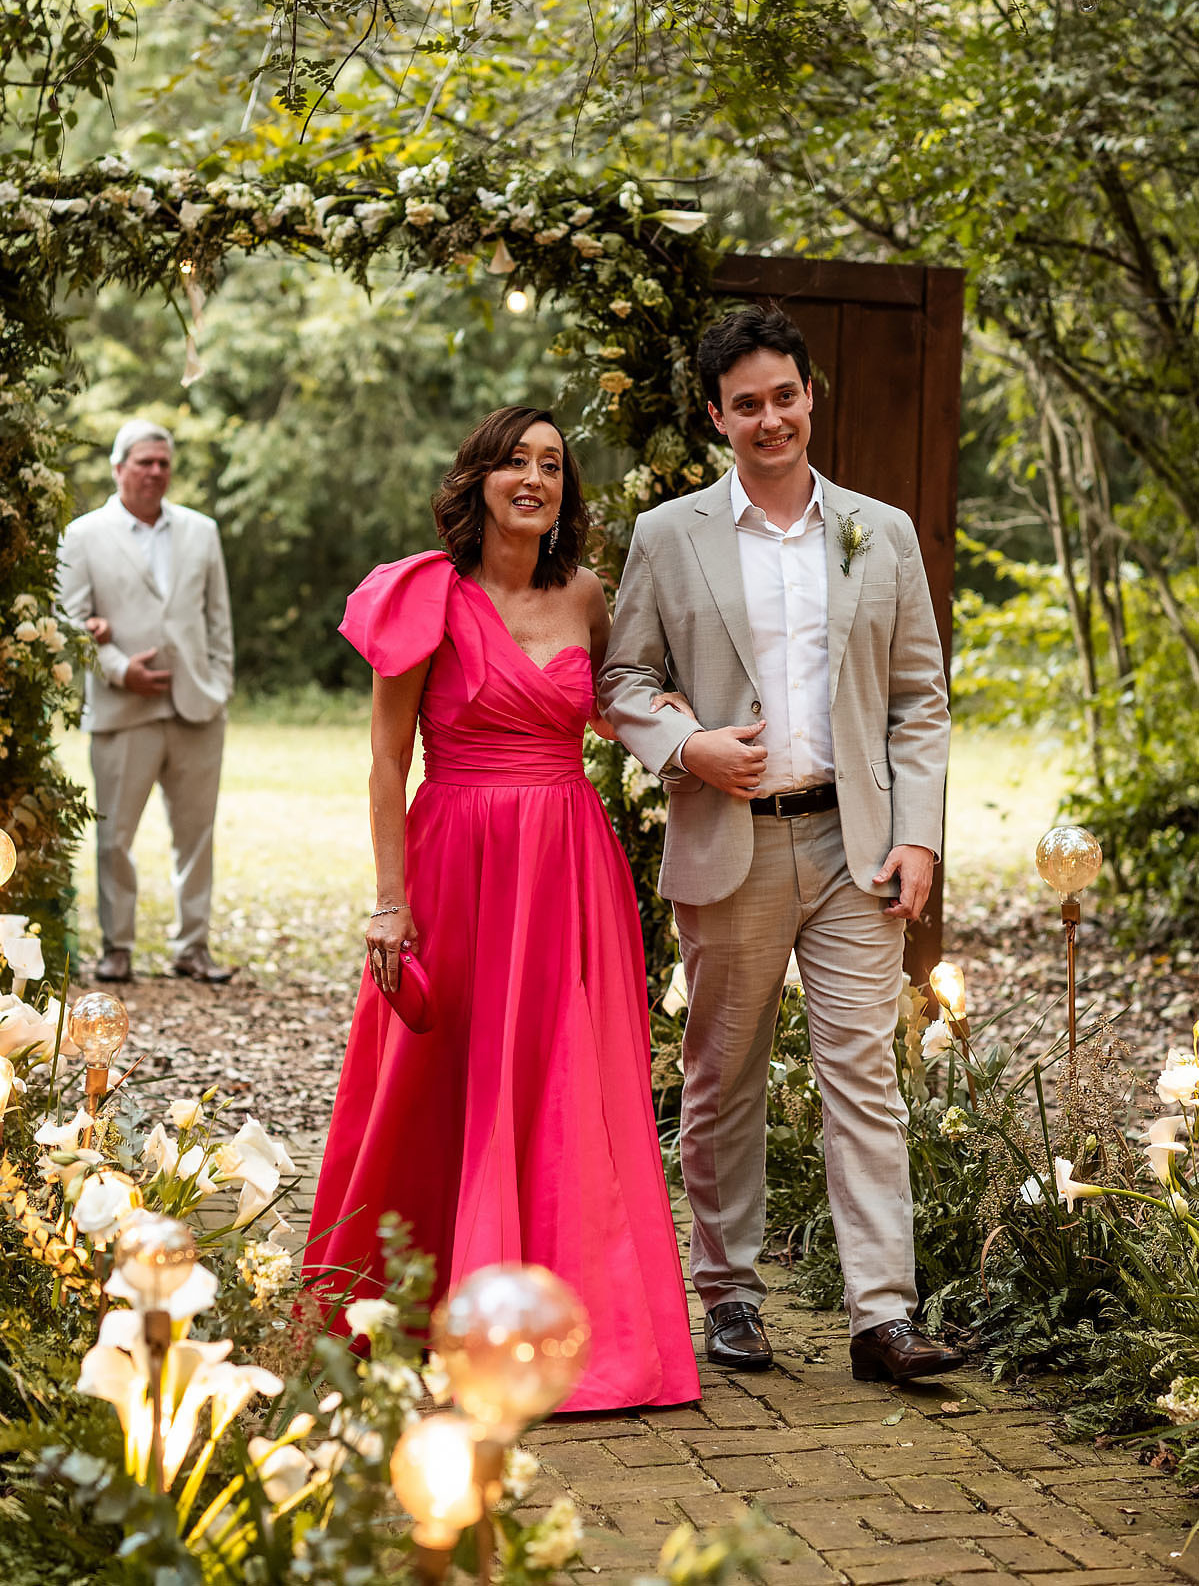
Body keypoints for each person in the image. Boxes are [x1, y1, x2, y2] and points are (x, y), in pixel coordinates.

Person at [304, 407, 699, 1412]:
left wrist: (692, 736)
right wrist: (388, 906)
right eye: (515, 461)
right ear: (479, 477)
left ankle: (578, 1326)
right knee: (441, 1082)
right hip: (452, 862)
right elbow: (388, 757)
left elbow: (613, 703)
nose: (534, 478)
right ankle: (427, 1301)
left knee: (567, 1083)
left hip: (566, 866)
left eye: (553, 465)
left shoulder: (588, 595)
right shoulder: (423, 596)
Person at [597, 305, 963, 1386]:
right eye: (745, 403)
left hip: (854, 849)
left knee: (863, 1073)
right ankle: (731, 1295)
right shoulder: (669, 537)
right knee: (722, 1077)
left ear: (811, 397)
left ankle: (880, 1316)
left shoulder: (878, 530)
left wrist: (918, 838)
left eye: (784, 396)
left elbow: (917, 703)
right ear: (717, 416)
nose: (770, 419)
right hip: (730, 844)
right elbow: (618, 680)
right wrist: (688, 744)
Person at [57, 419, 235, 985]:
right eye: (144, 462)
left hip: (197, 708)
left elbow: (218, 620)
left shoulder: (201, 530)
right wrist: (117, 669)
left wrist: (220, 682)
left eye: (163, 462)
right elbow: (68, 623)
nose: (156, 471)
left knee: (196, 836)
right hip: (121, 709)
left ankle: (193, 947)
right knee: (115, 837)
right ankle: (117, 948)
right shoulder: (82, 535)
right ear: (118, 468)